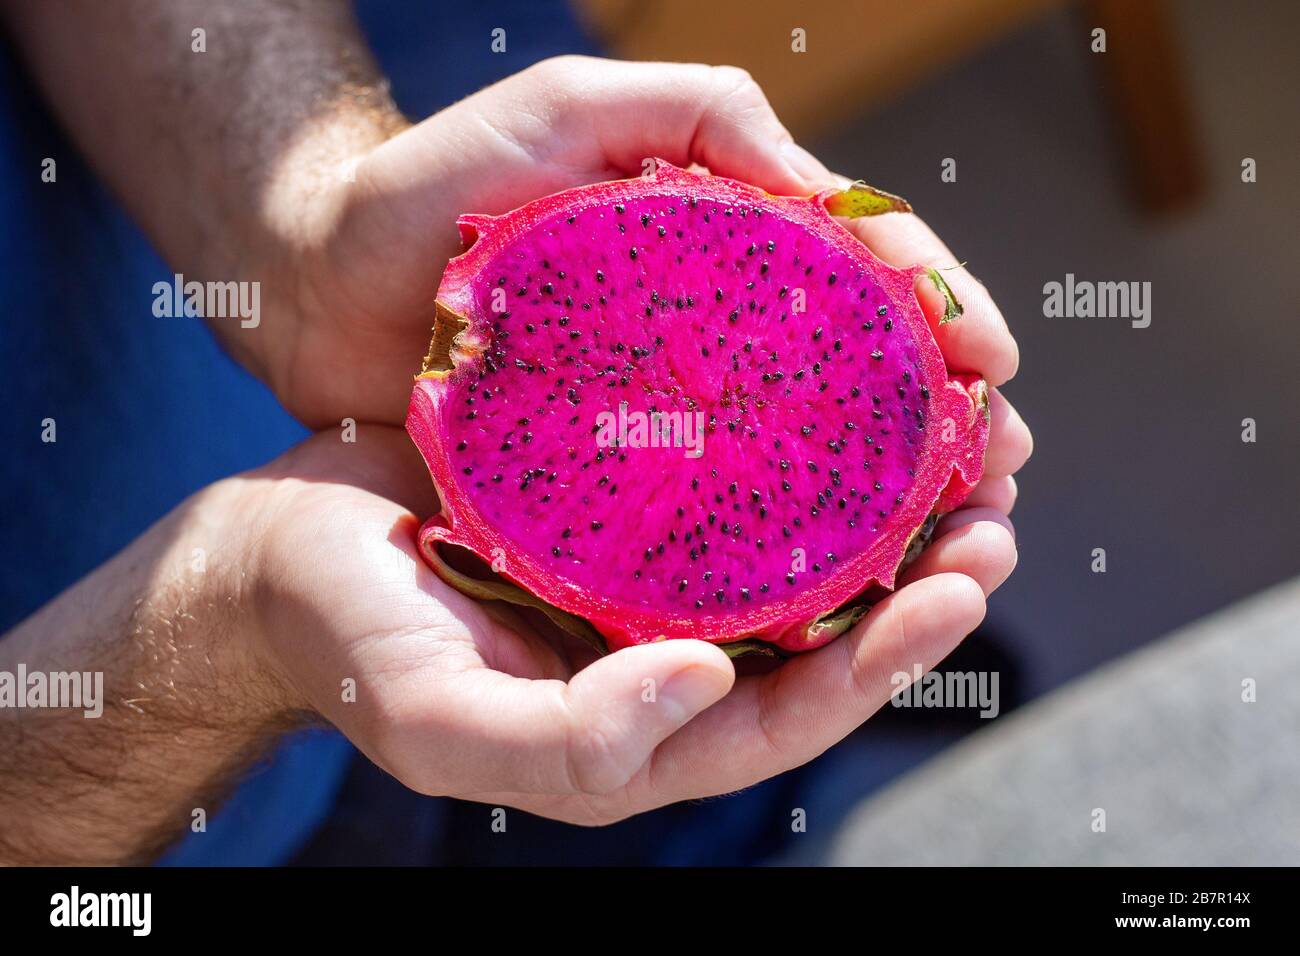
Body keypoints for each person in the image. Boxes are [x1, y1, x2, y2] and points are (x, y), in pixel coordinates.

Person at [0, 1, 1030, 864]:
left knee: (687, 750)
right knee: (592, 769)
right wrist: (239, 625)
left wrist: (304, 219)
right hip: (147, 801)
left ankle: (760, 729)